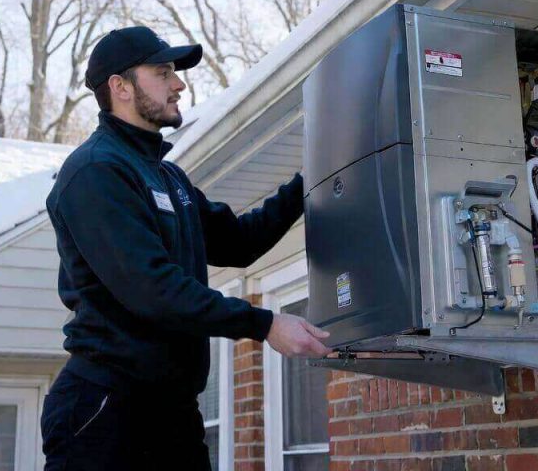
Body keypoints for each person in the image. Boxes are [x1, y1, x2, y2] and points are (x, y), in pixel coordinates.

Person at [42, 26, 331, 470]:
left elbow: (239, 241)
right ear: (120, 87)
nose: (178, 84)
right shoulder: (95, 173)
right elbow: (152, 290)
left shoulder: (167, 177)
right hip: (108, 410)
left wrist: (310, 179)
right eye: (162, 72)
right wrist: (264, 322)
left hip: (172, 411)